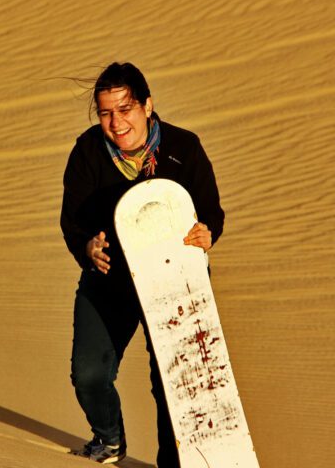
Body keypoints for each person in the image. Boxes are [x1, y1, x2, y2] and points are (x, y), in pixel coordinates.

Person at [60, 62, 225, 466]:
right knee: (89, 376)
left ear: (148, 106)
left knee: (173, 384)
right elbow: (72, 220)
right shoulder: (88, 151)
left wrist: (208, 234)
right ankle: (109, 438)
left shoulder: (184, 148)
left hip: (174, 282)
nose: (116, 123)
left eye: (125, 109)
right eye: (106, 113)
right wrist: (87, 247)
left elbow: (211, 213)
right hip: (110, 282)